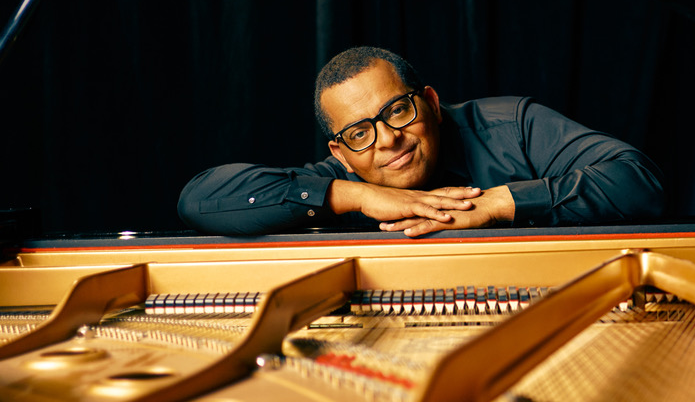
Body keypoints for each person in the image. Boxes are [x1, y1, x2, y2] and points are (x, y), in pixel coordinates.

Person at [178, 46, 665, 237]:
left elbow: (638, 182)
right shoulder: (343, 177)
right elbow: (199, 198)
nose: (387, 140)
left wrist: (498, 203)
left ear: (430, 101)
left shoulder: (512, 125)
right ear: (341, 153)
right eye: (360, 133)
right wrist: (362, 195)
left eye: (397, 110)